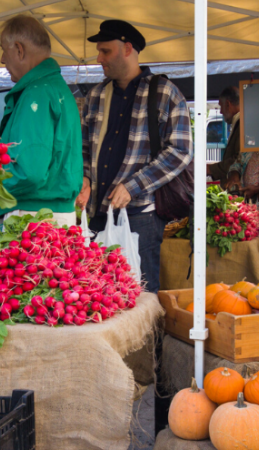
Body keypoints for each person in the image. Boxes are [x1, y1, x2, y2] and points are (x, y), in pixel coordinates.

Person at [74, 19, 192, 293]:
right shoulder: (96, 95)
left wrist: (133, 185)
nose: (98, 58)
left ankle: (150, 339)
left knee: (141, 294)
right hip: (96, 213)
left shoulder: (164, 93)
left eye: (105, 51)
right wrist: (85, 178)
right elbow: (83, 147)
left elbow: (181, 150)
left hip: (140, 215)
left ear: (127, 48)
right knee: (97, 294)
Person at [0, 14, 83, 225]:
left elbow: (31, 172)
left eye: (3, 50)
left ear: (19, 49)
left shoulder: (36, 93)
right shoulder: (58, 88)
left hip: (33, 218)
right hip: (54, 215)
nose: (2, 60)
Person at [209, 86, 240, 183]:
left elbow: (238, 159)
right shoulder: (238, 123)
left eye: (221, 106)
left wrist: (210, 169)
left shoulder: (242, 125)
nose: (221, 111)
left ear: (227, 104)